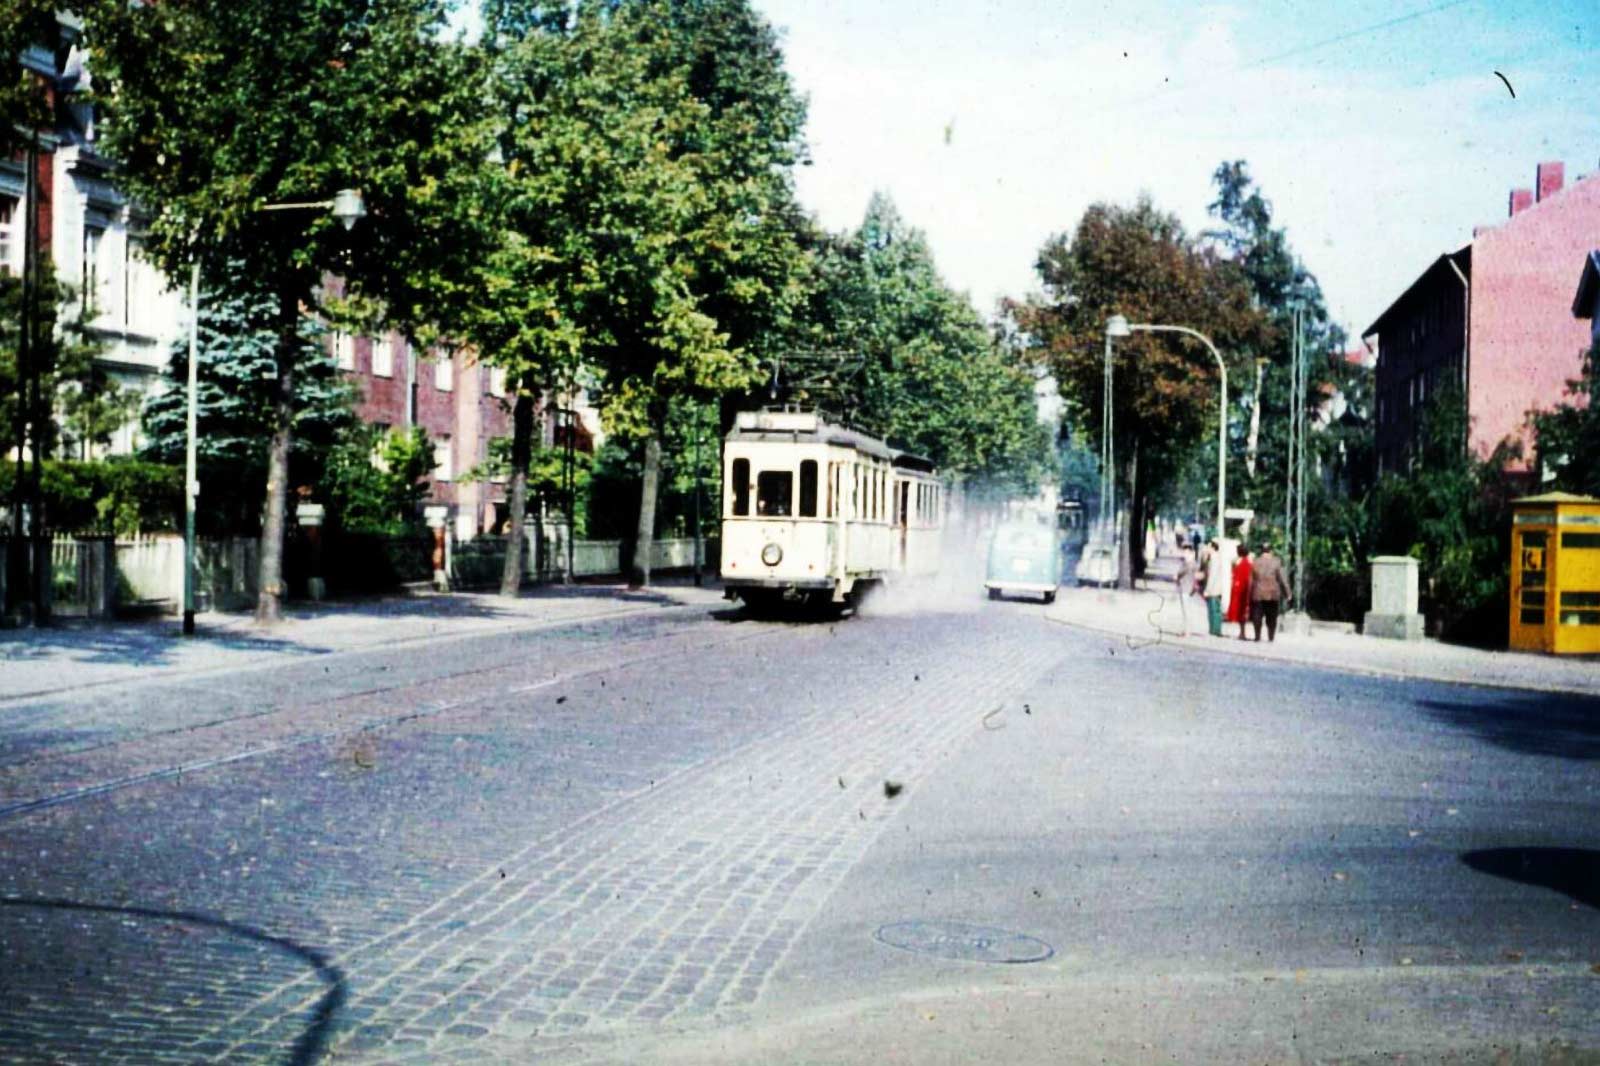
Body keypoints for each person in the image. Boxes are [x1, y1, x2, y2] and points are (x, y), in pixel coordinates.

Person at [1249, 542, 1293, 642]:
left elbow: (1251, 580)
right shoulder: (1277, 562)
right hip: (1272, 594)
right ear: (1271, 550)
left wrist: (1249, 593)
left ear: (1261, 550)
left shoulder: (1255, 561)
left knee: (1257, 616)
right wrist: (1288, 593)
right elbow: (1283, 579)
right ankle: (1271, 637)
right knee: (1272, 617)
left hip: (1258, 593)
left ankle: (1257, 636)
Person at [1202, 539, 1227, 637]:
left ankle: (1215, 630)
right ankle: (1214, 629)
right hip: (1216, 588)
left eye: (1208, 547)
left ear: (1212, 547)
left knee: (1214, 610)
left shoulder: (1215, 559)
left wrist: (1207, 590)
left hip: (1213, 589)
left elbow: (1212, 575)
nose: (1206, 549)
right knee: (1214, 610)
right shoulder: (1214, 557)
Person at [1227, 547, 1253, 640]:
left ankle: (1242, 632)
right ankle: (1243, 632)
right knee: (1243, 611)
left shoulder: (1238, 562)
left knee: (1241, 611)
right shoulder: (1249, 563)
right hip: (1245, 588)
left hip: (1240, 589)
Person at [1174, 545, 1196, 636]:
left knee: (1186, 611)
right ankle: (1185, 629)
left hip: (1186, 588)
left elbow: (1180, 573)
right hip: (1185, 588)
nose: (1185, 554)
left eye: (1186, 553)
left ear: (1191, 553)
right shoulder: (1188, 563)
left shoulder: (1189, 564)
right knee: (1185, 610)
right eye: (1184, 552)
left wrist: (1176, 575)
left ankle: (1187, 631)